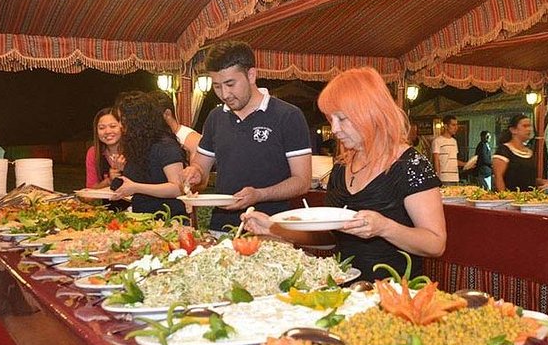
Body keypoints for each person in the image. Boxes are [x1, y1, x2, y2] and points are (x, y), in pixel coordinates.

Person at [242, 67, 446, 281]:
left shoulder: (410, 164)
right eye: (331, 120)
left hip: (396, 295)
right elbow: (330, 240)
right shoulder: (341, 167)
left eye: (342, 118)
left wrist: (384, 227)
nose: (335, 129)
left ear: (370, 112)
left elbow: (435, 244)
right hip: (346, 291)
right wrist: (275, 229)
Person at [182, 40, 312, 230]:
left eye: (230, 84)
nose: (225, 94)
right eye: (217, 86)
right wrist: (194, 174)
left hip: (270, 229)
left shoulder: (288, 116)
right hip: (220, 227)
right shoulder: (216, 117)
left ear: (251, 75)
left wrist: (260, 194)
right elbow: (200, 171)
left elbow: (302, 181)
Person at [110, 91, 186, 217]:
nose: (120, 124)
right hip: (141, 217)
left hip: (168, 219)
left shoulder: (166, 145)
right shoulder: (138, 145)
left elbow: (177, 188)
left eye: (122, 119)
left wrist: (136, 187)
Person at [493, 114, 548, 191]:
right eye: (525, 126)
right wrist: (504, 198)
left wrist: (542, 182)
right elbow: (498, 177)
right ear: (513, 130)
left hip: (530, 199)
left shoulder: (529, 152)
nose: (529, 129)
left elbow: (526, 178)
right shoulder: (504, 150)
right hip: (511, 199)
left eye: (530, 126)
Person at [147, 90, 202, 162]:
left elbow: (197, 172)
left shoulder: (192, 139)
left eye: (152, 117)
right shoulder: (152, 138)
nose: (148, 122)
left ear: (167, 114)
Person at [85, 108, 126, 189]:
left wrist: (126, 171)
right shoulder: (93, 153)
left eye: (113, 126)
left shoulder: (135, 149)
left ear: (123, 127)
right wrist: (109, 180)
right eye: (101, 128)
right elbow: (89, 192)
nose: (107, 131)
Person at [432, 115, 464, 185]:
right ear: (446, 126)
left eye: (456, 125)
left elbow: (453, 159)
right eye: (453, 125)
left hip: (455, 177)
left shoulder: (454, 141)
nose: (456, 128)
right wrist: (438, 177)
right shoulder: (437, 141)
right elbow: (436, 160)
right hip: (444, 178)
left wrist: (467, 164)